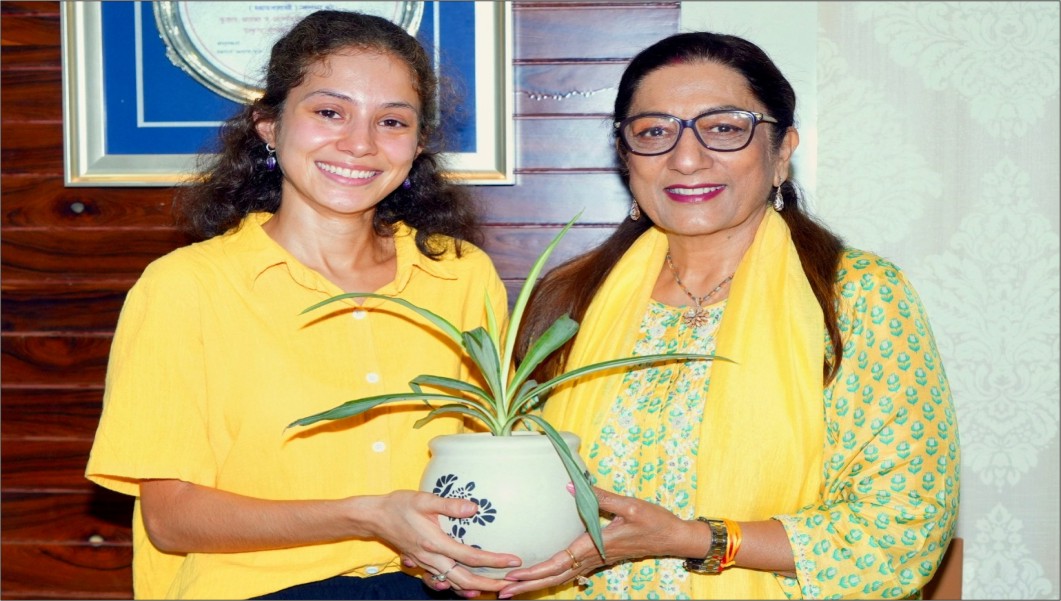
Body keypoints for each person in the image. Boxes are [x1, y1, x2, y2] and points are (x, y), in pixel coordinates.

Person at [501, 31, 960, 600]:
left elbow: (902, 530)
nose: (686, 158)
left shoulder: (855, 297)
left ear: (782, 151)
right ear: (626, 158)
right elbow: (517, 488)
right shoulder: (569, 300)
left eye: (723, 128)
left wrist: (697, 539)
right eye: (654, 132)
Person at [84, 10, 521, 600]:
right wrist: (365, 515)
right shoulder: (185, 286)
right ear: (269, 124)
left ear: (418, 145)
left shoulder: (461, 275)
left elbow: (491, 456)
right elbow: (171, 518)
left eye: (392, 121)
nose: (360, 143)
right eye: (329, 112)